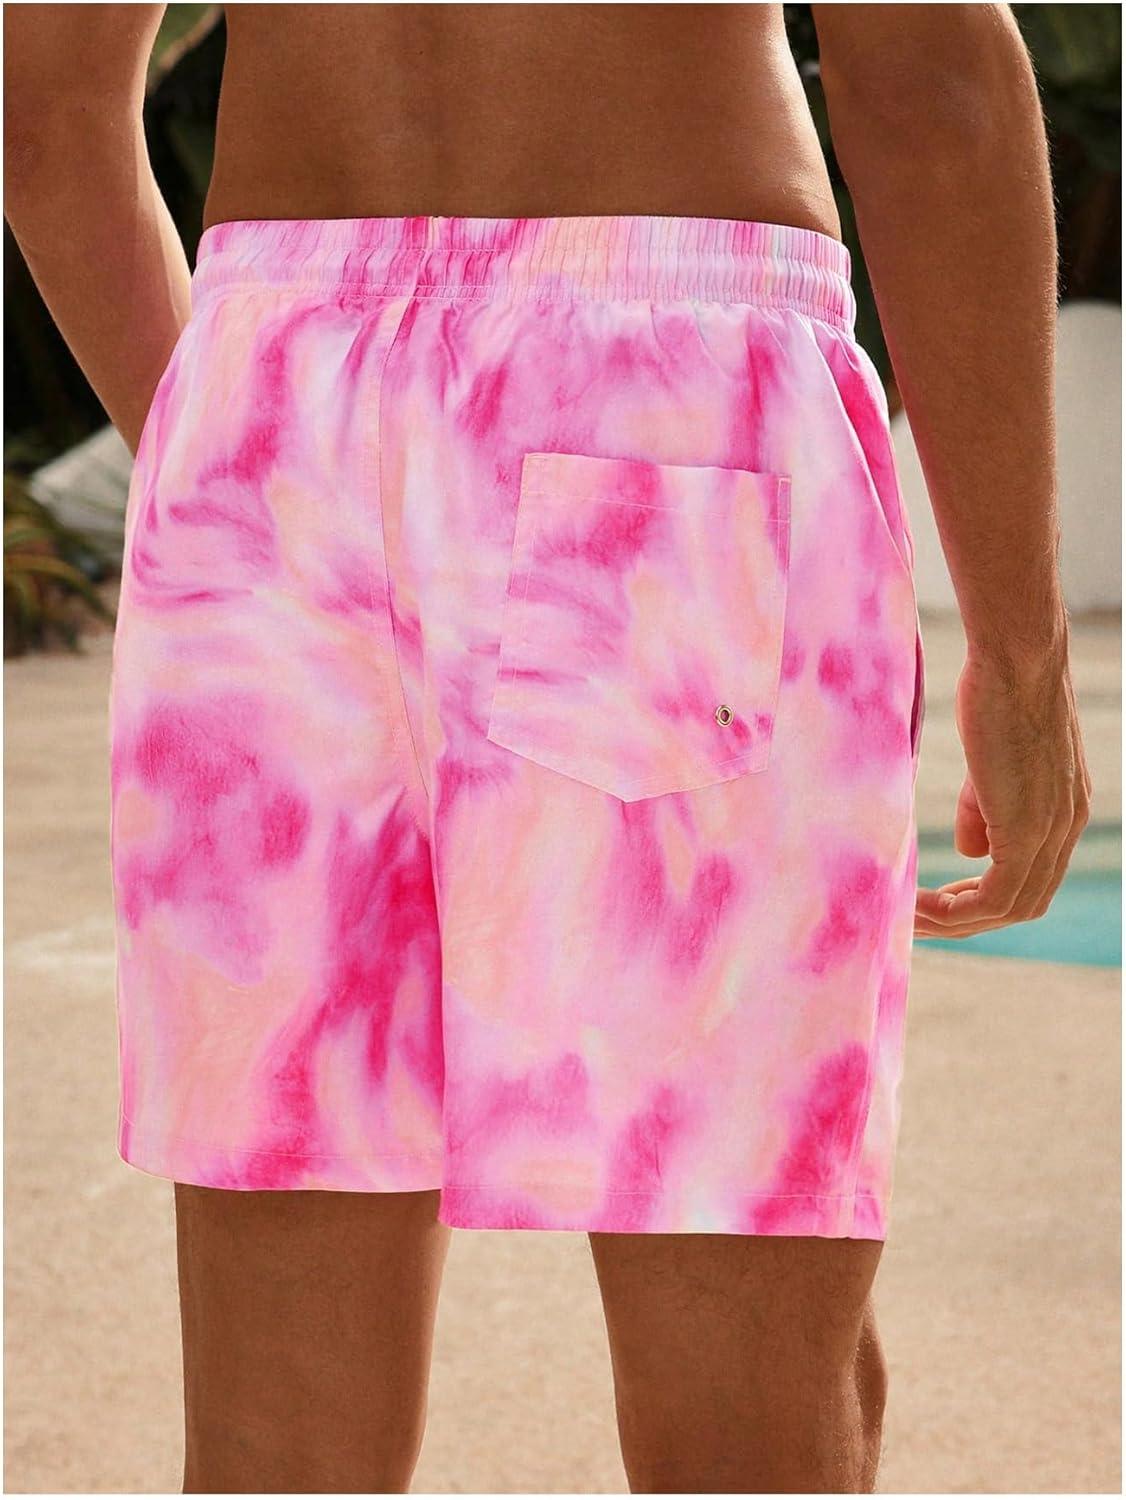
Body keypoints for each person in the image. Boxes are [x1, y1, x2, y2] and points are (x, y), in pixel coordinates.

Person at [4, 3, 1090, 1493]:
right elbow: (930, 86)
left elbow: (42, 109)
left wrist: (247, 484)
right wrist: (1022, 661)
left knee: (277, 1428)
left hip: (276, 397)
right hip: (657, 394)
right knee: (742, 1374)